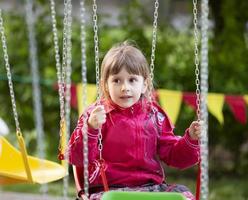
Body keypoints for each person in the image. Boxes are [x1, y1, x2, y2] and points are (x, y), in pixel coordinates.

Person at [68, 41, 201, 200]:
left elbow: (174, 156)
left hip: (150, 188)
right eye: (116, 80)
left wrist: (191, 139)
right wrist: (90, 129)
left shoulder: (154, 115)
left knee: (184, 196)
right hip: (107, 188)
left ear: (144, 84)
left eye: (132, 80)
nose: (125, 87)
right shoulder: (96, 115)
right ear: (105, 85)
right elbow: (76, 158)